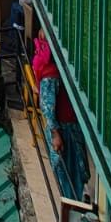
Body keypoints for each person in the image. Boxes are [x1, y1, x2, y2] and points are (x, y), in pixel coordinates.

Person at [30, 27, 89, 198]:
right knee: (70, 174)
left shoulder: (48, 67)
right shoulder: (51, 72)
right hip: (64, 129)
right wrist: (55, 134)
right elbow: (47, 106)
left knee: (73, 173)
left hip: (67, 126)